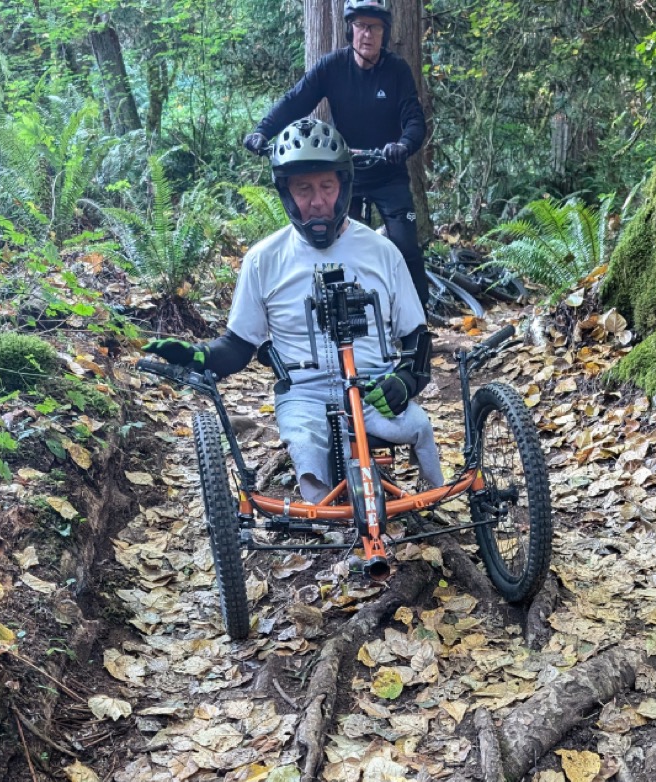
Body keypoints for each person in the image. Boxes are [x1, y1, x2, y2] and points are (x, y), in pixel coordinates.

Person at [143, 118, 443, 504]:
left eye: (326, 187)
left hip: (373, 386)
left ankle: (436, 503)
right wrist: (200, 356)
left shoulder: (383, 252)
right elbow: (238, 344)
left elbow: (416, 338)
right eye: (304, 189)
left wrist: (405, 381)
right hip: (305, 393)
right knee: (305, 443)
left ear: (343, 187)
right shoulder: (263, 260)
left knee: (420, 426)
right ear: (286, 192)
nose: (317, 201)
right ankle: (327, 523)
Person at [242, 0, 431, 309]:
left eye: (375, 27)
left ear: (385, 33)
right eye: (360, 26)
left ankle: (419, 322)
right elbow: (295, 101)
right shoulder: (332, 67)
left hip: (387, 172)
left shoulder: (396, 70)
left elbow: (413, 118)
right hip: (345, 175)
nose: (367, 34)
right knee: (339, 247)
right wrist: (264, 131)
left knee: (406, 244)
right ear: (349, 30)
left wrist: (403, 146)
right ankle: (345, 320)